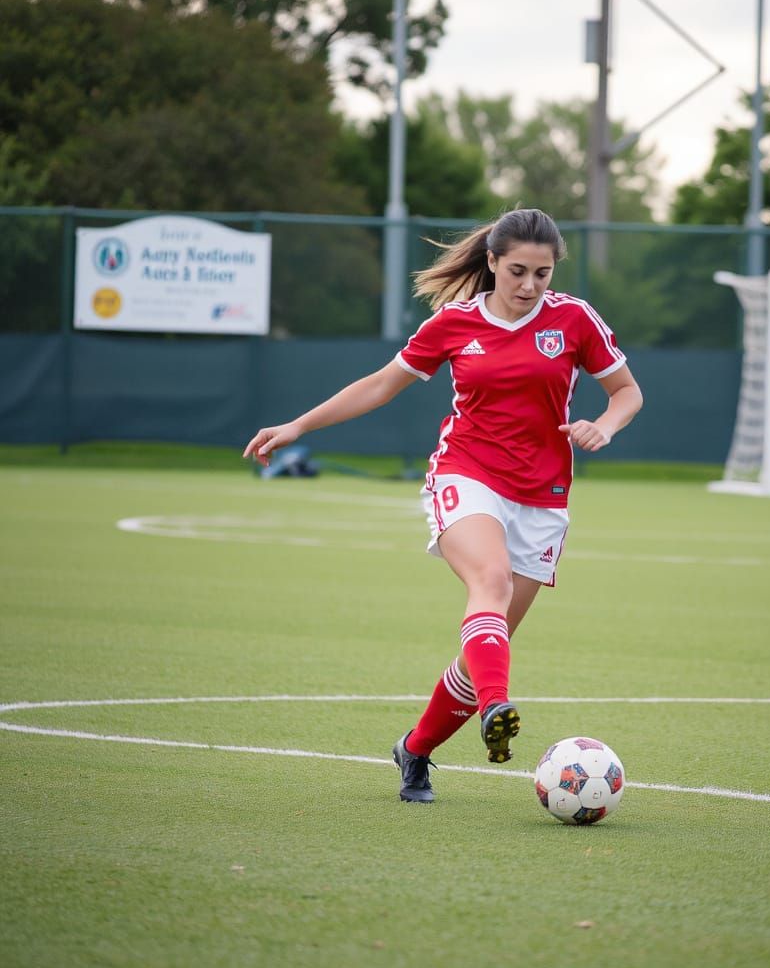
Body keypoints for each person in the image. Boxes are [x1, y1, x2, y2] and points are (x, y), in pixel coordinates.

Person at [243, 207, 643, 803]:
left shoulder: (574, 318)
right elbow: (381, 384)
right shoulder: (455, 323)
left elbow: (627, 392)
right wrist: (298, 426)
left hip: (543, 497)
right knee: (490, 582)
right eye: (517, 271)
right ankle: (496, 707)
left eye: (542, 273)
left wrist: (604, 426)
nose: (529, 285)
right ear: (492, 262)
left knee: (485, 647)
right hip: (467, 472)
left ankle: (415, 749)